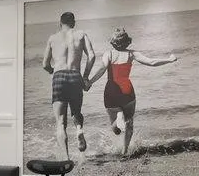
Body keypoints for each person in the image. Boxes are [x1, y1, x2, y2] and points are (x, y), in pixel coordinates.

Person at [85, 27, 177, 156]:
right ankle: (125, 151)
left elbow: (102, 69)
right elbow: (151, 62)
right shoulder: (131, 54)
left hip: (111, 90)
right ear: (127, 42)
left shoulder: (108, 54)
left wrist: (90, 82)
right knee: (129, 123)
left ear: (113, 42)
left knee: (115, 129)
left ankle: (118, 118)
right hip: (127, 90)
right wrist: (169, 59)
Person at [42, 12, 95, 160]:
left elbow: (45, 64)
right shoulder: (81, 35)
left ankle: (66, 159)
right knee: (76, 113)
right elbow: (92, 56)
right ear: (74, 23)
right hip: (75, 76)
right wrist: (85, 77)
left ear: (60, 23)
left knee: (60, 122)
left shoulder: (52, 38)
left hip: (59, 77)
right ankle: (79, 130)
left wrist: (53, 71)